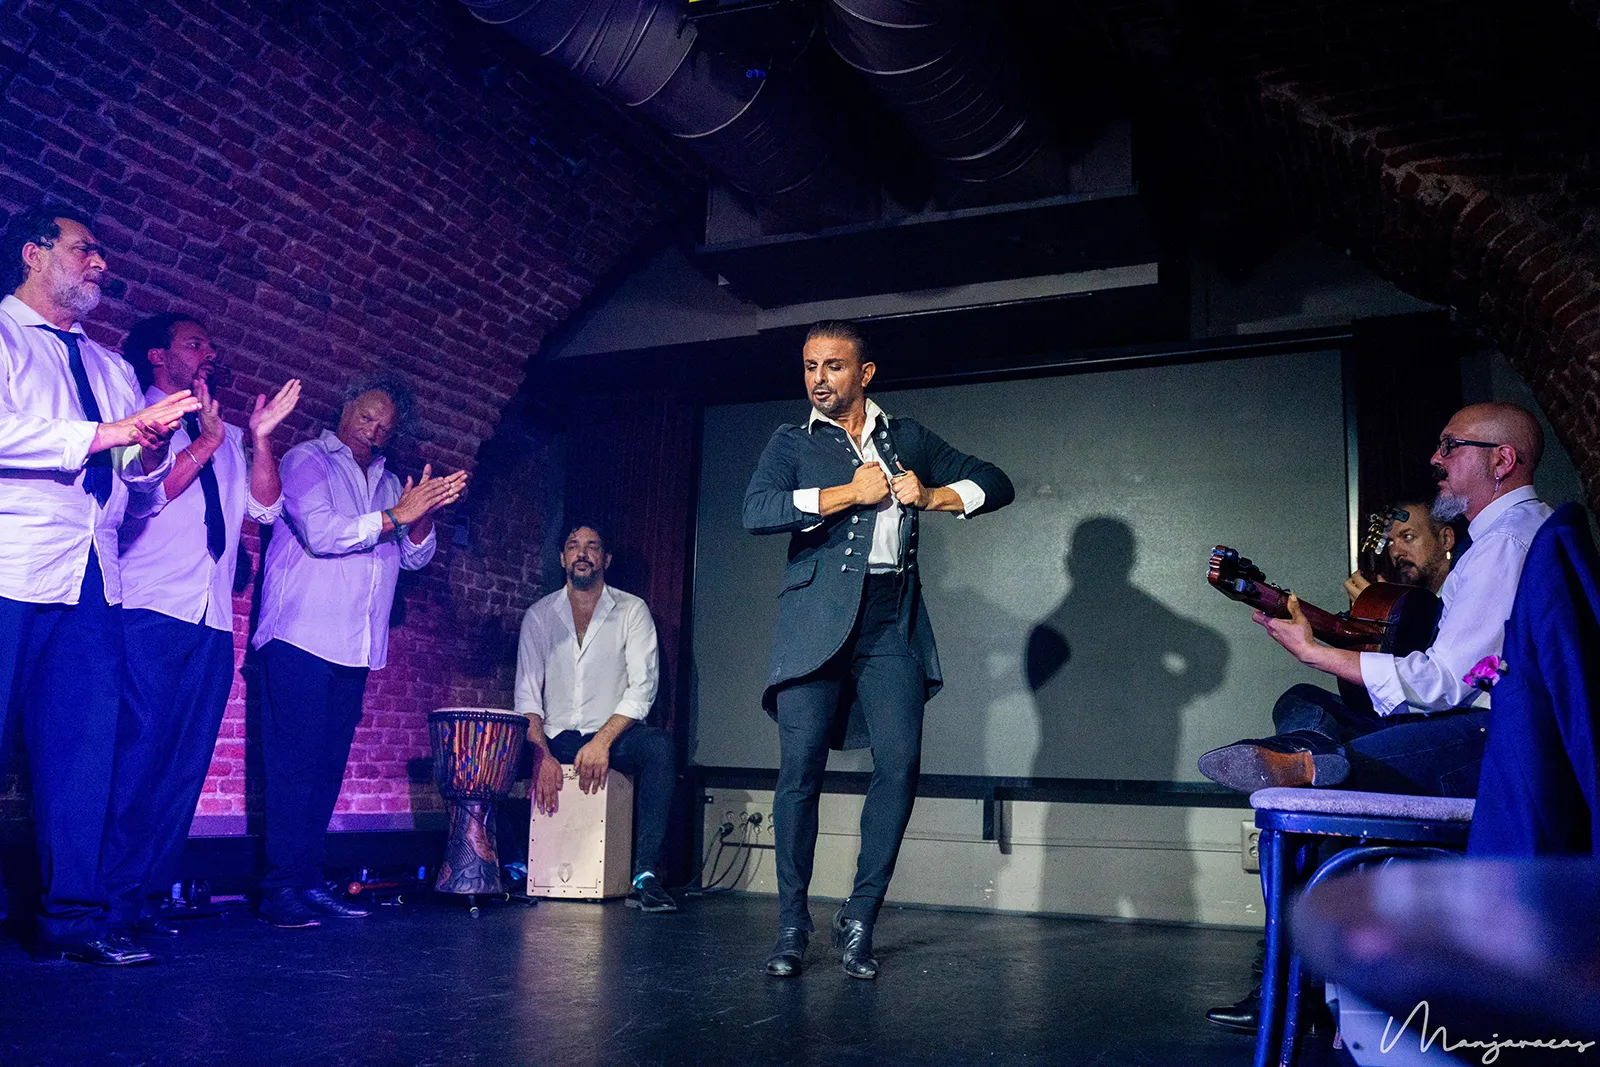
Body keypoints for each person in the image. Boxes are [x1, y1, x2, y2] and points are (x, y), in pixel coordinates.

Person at [743, 320, 1013, 979]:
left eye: (833, 366)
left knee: (900, 762)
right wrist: (849, 494)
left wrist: (938, 496)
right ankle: (792, 923)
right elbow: (758, 510)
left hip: (890, 621)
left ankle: (860, 916)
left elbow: (995, 481)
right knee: (800, 770)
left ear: (864, 373)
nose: (818, 379)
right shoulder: (791, 441)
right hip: (813, 621)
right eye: (810, 366)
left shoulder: (907, 437)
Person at [0, 205, 198, 965]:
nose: (101, 264)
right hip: (14, 562)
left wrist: (146, 451)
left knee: (82, 752)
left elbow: (135, 484)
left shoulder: (111, 367)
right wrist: (105, 434)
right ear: (33, 253)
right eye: (85, 250)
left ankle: (74, 919)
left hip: (93, 575)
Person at [1198, 402, 1552, 799]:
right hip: (1455, 720)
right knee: (1302, 699)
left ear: (1502, 460)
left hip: (1487, 735)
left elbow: (1445, 682)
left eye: (1450, 446)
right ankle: (1312, 752)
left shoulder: (1504, 543)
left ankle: (1311, 764)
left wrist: (1314, 652)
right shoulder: (1507, 534)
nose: (1436, 459)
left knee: (1348, 767)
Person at [104, 313, 301, 939]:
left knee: (185, 764)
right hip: (149, 608)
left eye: (211, 344)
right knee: (136, 756)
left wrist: (259, 440)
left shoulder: (228, 432)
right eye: (195, 344)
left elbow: (264, 508)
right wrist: (208, 444)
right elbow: (149, 493)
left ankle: (146, 894)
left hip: (211, 619)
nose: (209, 352)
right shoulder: (136, 413)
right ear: (158, 356)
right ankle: (107, 900)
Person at [251, 374, 467, 929]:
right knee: (294, 769)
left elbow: (414, 558)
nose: (374, 430)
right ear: (346, 408)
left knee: (326, 771)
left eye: (385, 427)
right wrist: (397, 516)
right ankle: (280, 888)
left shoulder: (391, 482)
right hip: (300, 638)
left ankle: (307, 878)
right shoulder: (307, 460)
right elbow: (323, 534)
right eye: (368, 417)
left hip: (354, 646)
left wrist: (422, 511)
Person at [515, 523, 678, 913]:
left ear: (605, 558)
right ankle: (515, 866)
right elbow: (527, 695)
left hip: (613, 734)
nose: (582, 553)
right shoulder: (539, 615)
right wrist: (542, 754)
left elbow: (643, 687)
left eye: (592, 546)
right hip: (555, 736)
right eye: (574, 546)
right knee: (498, 753)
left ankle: (645, 874)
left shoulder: (631, 610)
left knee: (659, 748)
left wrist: (602, 741)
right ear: (562, 558)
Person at [1342, 499, 1460, 603]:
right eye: (1390, 542)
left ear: (1446, 539)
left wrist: (1382, 609)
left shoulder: (1464, 590)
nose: (1395, 553)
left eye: (1407, 537)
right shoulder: (1417, 599)